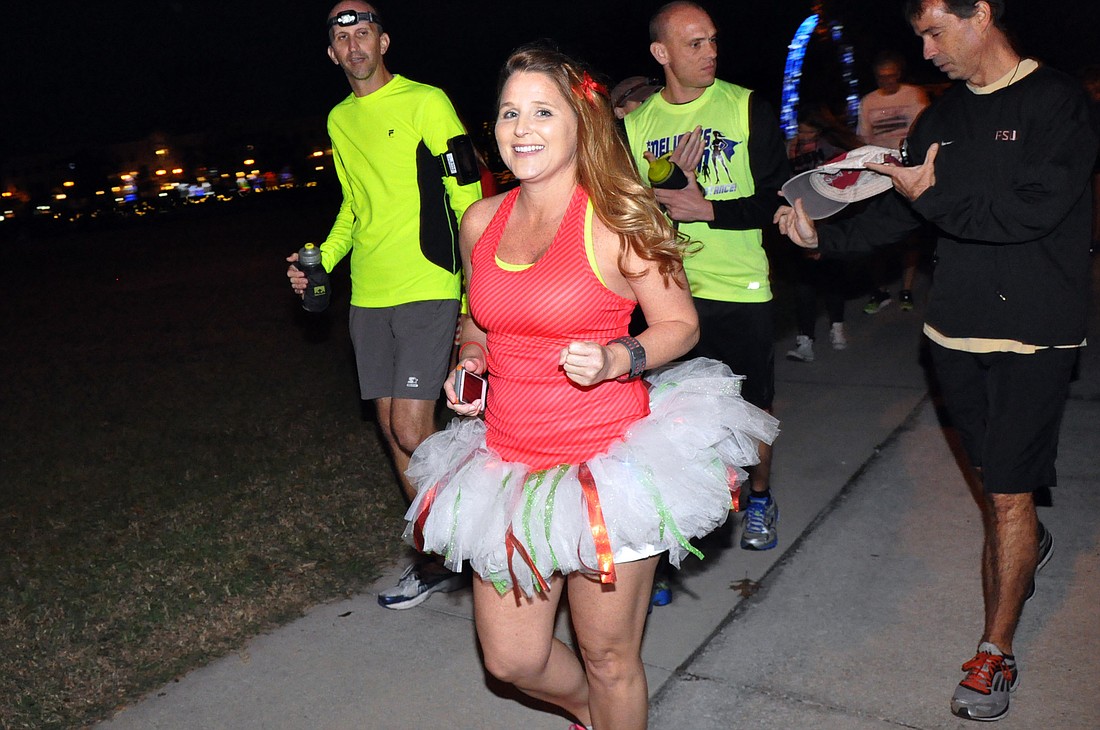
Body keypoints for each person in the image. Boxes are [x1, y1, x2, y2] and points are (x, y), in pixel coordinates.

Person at [403, 44, 778, 730]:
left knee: (610, 658)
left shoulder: (616, 216)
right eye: (510, 111)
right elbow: (477, 319)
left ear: (581, 120)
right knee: (512, 660)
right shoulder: (481, 221)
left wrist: (619, 357)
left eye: (542, 111)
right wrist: (471, 361)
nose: (521, 127)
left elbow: (679, 324)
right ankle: (592, 716)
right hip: (507, 465)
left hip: (608, 465)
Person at [775, 0, 1096, 720]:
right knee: (996, 486)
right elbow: (901, 212)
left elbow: (1031, 212)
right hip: (953, 333)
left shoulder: (1059, 103)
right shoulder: (942, 118)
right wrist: (821, 241)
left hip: (1035, 333)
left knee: (1009, 492)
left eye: (933, 31)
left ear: (979, 13)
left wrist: (935, 195)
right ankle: (1029, 541)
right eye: (920, 35)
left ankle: (994, 654)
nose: (925, 51)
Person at [285, 2, 482, 610]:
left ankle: (477, 542)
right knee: (390, 431)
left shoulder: (427, 101)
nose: (354, 46)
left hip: (429, 282)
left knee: (411, 426)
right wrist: (322, 257)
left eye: (363, 32)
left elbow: (470, 194)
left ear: (384, 40)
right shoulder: (340, 118)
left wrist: (476, 297)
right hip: (369, 294)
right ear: (331, 53)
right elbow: (353, 204)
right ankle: (436, 557)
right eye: (342, 38)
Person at [624, 1, 790, 554]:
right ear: (661, 53)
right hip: (666, 294)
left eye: (713, 40)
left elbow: (776, 200)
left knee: (751, 408)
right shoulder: (636, 125)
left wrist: (707, 209)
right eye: (694, 44)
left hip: (740, 285)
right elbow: (621, 212)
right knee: (669, 416)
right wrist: (657, 200)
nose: (710, 52)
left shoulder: (745, 107)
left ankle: (760, 498)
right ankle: (679, 528)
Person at [784, 106, 862, 362]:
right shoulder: (791, 147)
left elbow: (843, 183)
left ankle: (837, 327)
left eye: (807, 130)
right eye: (799, 130)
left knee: (831, 278)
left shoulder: (830, 148)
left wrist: (824, 232)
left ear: (818, 130)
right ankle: (805, 340)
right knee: (803, 284)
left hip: (828, 219)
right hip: (801, 218)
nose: (802, 134)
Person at [857, 50, 931, 314]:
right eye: (881, 77)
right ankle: (879, 290)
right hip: (877, 176)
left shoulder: (913, 95)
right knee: (876, 236)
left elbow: (923, 131)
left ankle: (907, 288)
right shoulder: (868, 101)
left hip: (907, 171)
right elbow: (864, 138)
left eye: (890, 76)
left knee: (908, 236)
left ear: (898, 74)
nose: (886, 81)